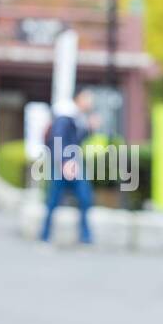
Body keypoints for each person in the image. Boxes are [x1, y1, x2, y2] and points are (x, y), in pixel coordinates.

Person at [38, 88, 102, 246]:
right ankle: (45, 236)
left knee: (81, 198)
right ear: (78, 98)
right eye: (87, 98)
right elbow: (58, 140)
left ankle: (84, 237)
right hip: (66, 164)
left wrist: (89, 129)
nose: (90, 102)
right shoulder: (65, 115)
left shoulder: (76, 116)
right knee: (55, 200)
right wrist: (65, 162)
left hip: (71, 163)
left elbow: (75, 140)